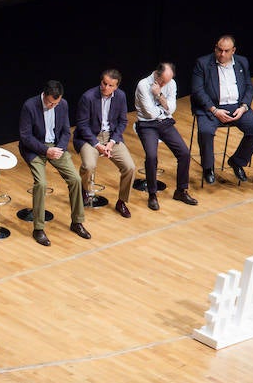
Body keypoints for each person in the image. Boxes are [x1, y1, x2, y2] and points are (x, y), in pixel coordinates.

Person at [19, 79, 90, 246]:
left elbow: (66, 131)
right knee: (41, 183)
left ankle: (77, 222)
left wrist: (59, 148)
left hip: (56, 148)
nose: (53, 106)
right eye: (50, 103)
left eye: (55, 103)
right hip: (35, 148)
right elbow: (25, 137)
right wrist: (46, 151)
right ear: (44, 95)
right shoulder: (29, 106)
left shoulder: (62, 104)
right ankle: (38, 228)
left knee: (76, 180)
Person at [191, 34, 253, 184]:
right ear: (215, 48)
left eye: (226, 51)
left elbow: (249, 87)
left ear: (233, 51)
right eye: (219, 50)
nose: (222, 54)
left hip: (237, 106)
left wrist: (244, 107)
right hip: (211, 107)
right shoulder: (203, 63)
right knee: (205, 131)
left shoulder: (242, 62)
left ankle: (237, 161)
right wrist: (214, 110)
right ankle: (208, 167)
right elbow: (197, 90)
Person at [133, 62, 198, 210]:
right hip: (147, 124)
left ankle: (181, 191)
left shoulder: (171, 83)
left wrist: (159, 95)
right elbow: (149, 113)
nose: (164, 84)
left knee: (184, 153)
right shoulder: (143, 85)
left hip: (165, 123)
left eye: (166, 81)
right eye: (162, 81)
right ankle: (152, 194)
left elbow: (172, 108)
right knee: (151, 156)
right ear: (156, 73)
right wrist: (165, 109)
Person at [72, 69, 136, 218]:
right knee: (88, 165)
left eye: (110, 85)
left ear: (116, 86)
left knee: (130, 167)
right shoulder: (88, 97)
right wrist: (97, 145)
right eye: (104, 83)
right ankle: (84, 190)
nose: (106, 88)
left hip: (111, 137)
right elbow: (82, 125)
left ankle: (121, 201)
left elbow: (123, 121)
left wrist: (112, 142)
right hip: (90, 137)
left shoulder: (120, 96)